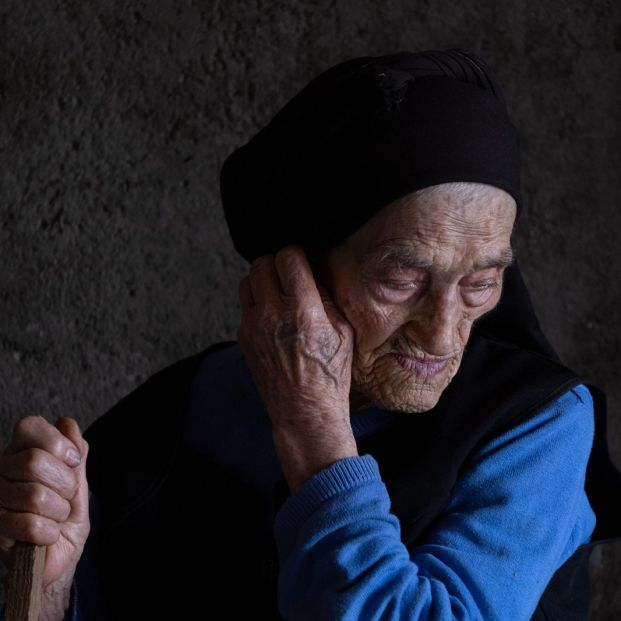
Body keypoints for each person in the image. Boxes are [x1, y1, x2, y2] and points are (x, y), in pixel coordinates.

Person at [1, 48, 619, 621]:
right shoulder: (184, 408)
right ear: (295, 271)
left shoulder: (540, 426)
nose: (442, 331)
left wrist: (312, 430)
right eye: (402, 279)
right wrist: (51, 589)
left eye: (480, 283)